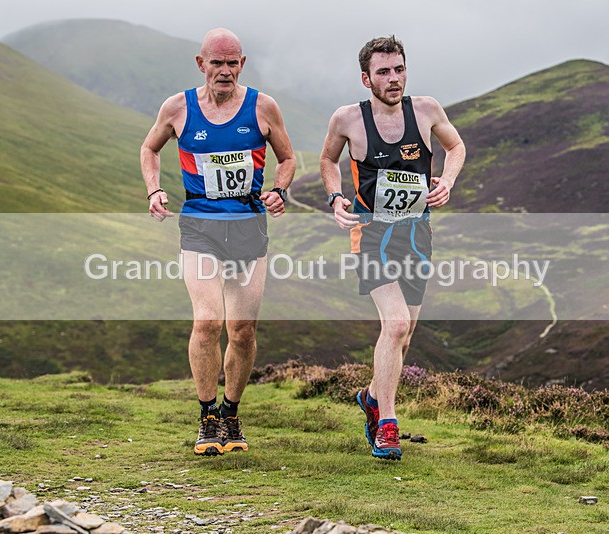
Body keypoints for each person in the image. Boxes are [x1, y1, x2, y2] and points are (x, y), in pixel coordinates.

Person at [140, 28, 296, 456]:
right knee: (207, 322)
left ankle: (231, 410)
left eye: (232, 63)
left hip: (248, 227)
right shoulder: (178, 108)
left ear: (242, 64)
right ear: (200, 63)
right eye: (217, 63)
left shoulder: (263, 107)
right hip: (200, 226)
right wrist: (154, 189)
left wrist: (279, 190)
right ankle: (207, 415)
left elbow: (288, 158)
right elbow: (149, 149)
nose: (224, 71)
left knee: (242, 330)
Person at [320, 36, 465, 460]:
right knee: (396, 324)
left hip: (417, 233)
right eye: (383, 72)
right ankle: (387, 423)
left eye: (399, 69)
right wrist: (335, 198)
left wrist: (447, 181)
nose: (394, 78)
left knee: (404, 336)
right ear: (366, 79)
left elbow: (455, 146)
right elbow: (328, 160)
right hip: (372, 234)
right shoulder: (347, 119)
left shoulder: (426, 110)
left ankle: (370, 396)